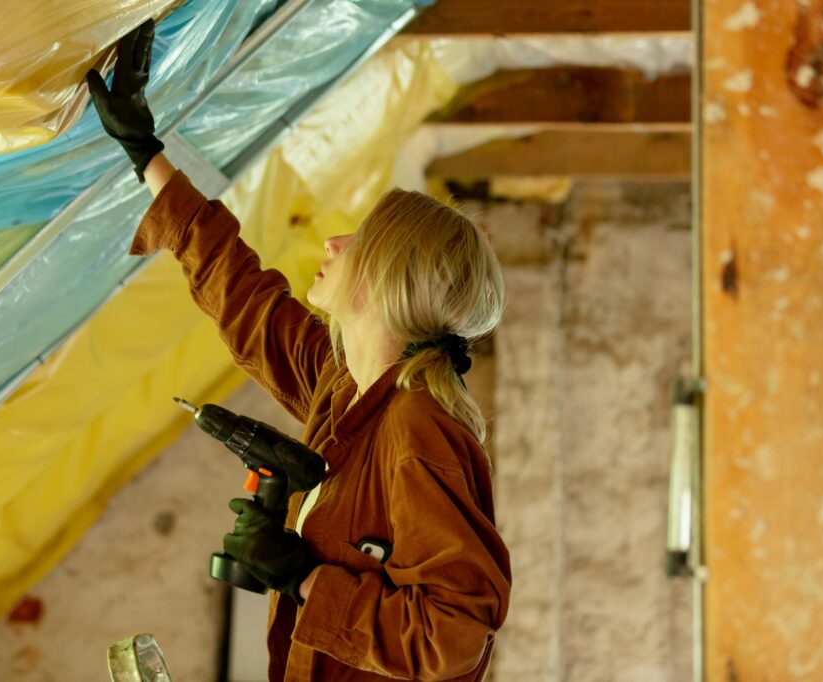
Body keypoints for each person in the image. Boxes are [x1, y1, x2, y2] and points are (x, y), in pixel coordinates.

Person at [88, 20, 511, 682]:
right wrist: (145, 150)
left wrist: (305, 576)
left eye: (359, 239)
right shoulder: (345, 391)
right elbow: (243, 296)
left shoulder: (416, 433)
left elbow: (455, 637)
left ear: (385, 280)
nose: (335, 244)